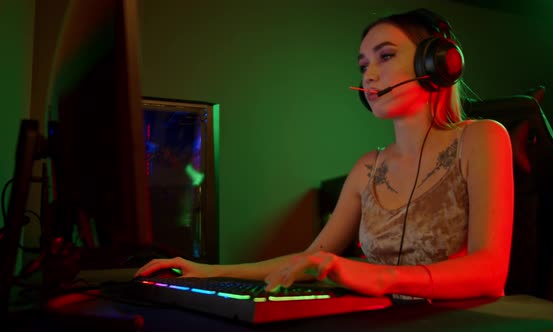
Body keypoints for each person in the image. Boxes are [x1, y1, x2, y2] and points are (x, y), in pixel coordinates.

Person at [135, 8, 514, 301]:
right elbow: (309, 260)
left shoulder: (481, 139)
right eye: (363, 65)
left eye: (385, 56)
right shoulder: (368, 167)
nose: (368, 75)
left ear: (435, 63)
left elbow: (491, 273)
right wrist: (206, 272)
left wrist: (376, 277)